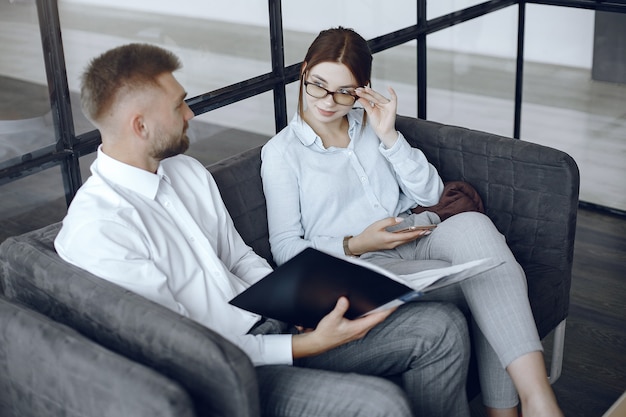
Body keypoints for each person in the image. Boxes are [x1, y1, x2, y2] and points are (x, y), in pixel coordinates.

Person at [54, 43, 472, 417]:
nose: (190, 113)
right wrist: (305, 344)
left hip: (278, 325)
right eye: (179, 105)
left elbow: (238, 257)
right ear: (140, 125)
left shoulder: (185, 172)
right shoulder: (100, 228)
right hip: (232, 370)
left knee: (442, 329)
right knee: (380, 406)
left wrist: (297, 307)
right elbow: (184, 347)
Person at [260, 27, 565, 417]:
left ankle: (537, 398)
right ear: (303, 71)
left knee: (475, 229)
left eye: (344, 91)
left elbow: (429, 195)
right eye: (317, 85)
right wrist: (357, 243)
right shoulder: (282, 154)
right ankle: (518, 410)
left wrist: (388, 135)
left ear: (362, 88)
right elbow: (285, 248)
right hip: (358, 265)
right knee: (490, 273)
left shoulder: (370, 125)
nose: (328, 101)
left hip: (416, 235)